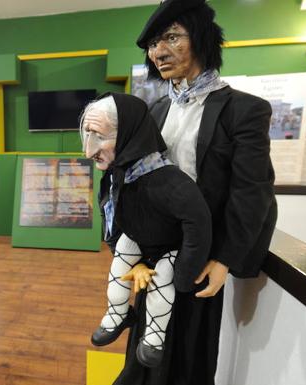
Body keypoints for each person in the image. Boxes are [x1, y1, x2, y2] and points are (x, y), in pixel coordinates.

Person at [113, 1, 277, 384]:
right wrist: (128, 246)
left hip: (201, 258)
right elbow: (133, 182)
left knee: (186, 359)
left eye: (170, 38)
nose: (158, 52)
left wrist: (224, 261)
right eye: (153, 44)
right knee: (143, 353)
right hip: (152, 257)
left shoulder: (245, 110)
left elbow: (251, 192)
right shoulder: (152, 112)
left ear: (202, 40)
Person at [83, 92, 212, 368]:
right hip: (139, 237)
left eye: (99, 136)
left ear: (129, 133)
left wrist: (184, 275)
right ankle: (118, 313)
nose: (89, 150)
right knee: (119, 267)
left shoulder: (169, 181)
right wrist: (129, 255)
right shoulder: (116, 175)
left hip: (169, 246)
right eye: (87, 134)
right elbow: (112, 215)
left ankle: (154, 336)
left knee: (162, 280)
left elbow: (198, 223)